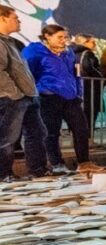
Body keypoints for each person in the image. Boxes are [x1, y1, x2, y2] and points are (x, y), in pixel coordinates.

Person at [23, 24, 93, 173]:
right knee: (52, 132)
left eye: (65, 37)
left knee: (81, 129)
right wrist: (37, 92)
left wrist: (78, 93)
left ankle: (85, 162)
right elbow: (29, 75)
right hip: (48, 98)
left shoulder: (68, 53)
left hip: (71, 98)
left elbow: (75, 73)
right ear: (47, 36)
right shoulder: (34, 52)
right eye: (59, 37)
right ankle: (56, 163)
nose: (63, 40)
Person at [0, 6, 48, 180]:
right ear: (2, 18)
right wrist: (15, 94)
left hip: (27, 96)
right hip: (12, 98)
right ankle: (4, 174)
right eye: (15, 18)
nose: (19, 21)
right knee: (7, 138)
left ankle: (38, 169)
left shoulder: (11, 42)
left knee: (37, 133)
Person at [71, 33, 102, 137]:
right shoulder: (86, 53)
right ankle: (88, 138)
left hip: (77, 87)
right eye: (92, 42)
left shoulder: (70, 52)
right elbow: (89, 67)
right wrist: (102, 78)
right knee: (90, 112)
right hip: (89, 88)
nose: (95, 44)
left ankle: (81, 138)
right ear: (84, 42)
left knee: (81, 114)